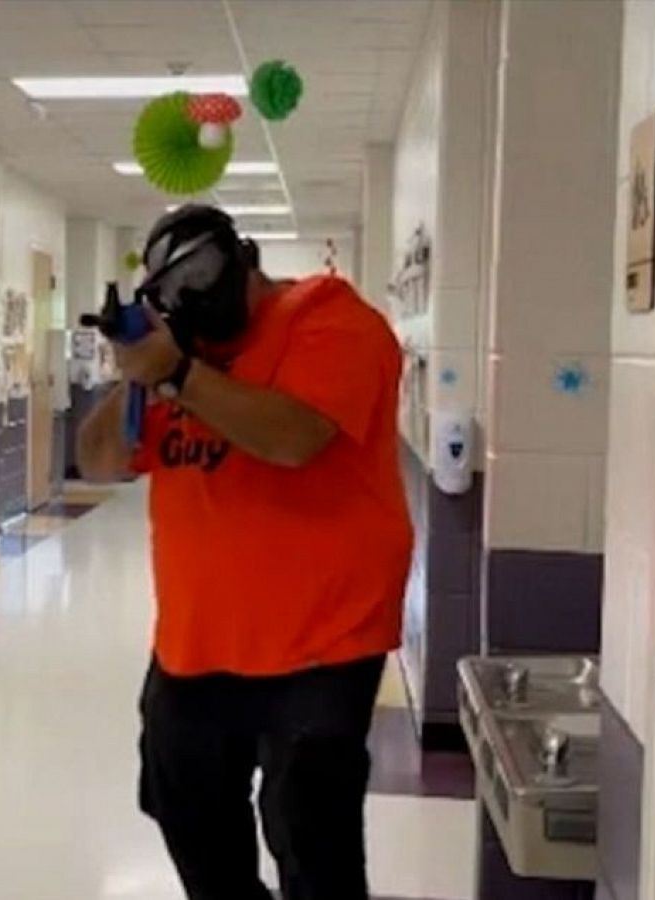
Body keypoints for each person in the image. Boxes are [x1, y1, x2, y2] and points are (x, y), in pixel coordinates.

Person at [77, 205, 412, 900]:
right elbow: (100, 461)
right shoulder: (179, 356)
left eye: (205, 281)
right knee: (187, 817)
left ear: (242, 264)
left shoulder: (332, 320)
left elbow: (295, 438)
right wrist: (139, 373)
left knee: (310, 838)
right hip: (197, 646)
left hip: (324, 642)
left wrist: (179, 375)